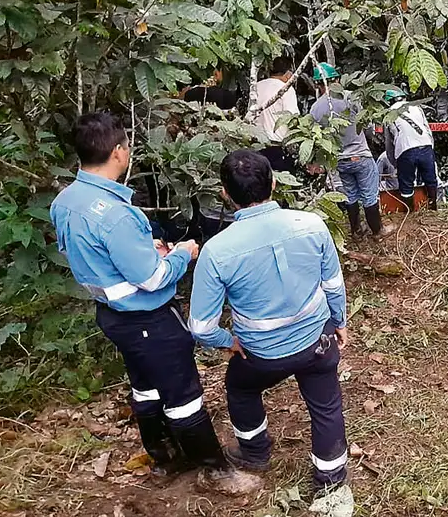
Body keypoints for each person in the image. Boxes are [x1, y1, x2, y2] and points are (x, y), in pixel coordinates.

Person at [49, 113, 229, 477]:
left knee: (145, 386)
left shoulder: (65, 202)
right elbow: (152, 278)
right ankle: (215, 469)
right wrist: (182, 254)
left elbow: (92, 255)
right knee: (182, 395)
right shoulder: (116, 215)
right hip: (148, 318)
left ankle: (163, 457)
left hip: (113, 316)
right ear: (118, 152)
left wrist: (145, 248)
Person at [188, 150, 353, 506]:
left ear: (224, 194)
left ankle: (255, 452)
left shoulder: (217, 251)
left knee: (241, 388)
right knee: (326, 405)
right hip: (316, 342)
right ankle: (330, 477)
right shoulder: (311, 224)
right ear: (274, 183)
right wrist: (338, 323)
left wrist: (228, 341)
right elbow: (334, 286)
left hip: (260, 354)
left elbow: (200, 326)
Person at [310, 63, 392, 239]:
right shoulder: (351, 98)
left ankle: (356, 230)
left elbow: (318, 139)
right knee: (370, 196)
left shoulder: (315, 109)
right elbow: (367, 126)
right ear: (337, 80)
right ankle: (378, 231)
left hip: (340, 160)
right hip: (360, 155)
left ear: (318, 84)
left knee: (351, 196)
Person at [384, 87, 437, 211]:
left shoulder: (388, 114)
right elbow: (427, 129)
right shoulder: (416, 107)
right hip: (426, 146)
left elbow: (389, 143)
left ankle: (410, 212)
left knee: (406, 184)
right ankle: (433, 208)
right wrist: (430, 149)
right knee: (430, 180)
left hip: (405, 149)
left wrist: (395, 162)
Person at [254, 56, 300, 172]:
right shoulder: (286, 89)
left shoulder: (256, 87)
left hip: (256, 145)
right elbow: (292, 118)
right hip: (277, 147)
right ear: (288, 74)